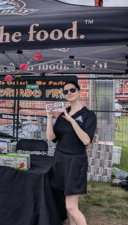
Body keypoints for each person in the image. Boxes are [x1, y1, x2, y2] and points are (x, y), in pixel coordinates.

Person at [46, 81, 97, 225]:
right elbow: (51, 138)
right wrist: (50, 118)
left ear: (79, 92)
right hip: (60, 160)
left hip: (75, 161)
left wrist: (72, 120)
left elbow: (86, 140)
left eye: (72, 90)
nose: (69, 93)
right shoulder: (63, 114)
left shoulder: (89, 115)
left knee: (71, 207)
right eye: (65, 92)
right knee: (68, 206)